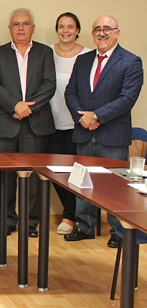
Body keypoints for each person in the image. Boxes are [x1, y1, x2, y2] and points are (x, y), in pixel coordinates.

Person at [64, 16, 143, 246]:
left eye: (107, 29)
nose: (102, 33)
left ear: (117, 32)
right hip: (84, 132)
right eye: (97, 29)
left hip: (113, 135)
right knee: (82, 182)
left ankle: (118, 231)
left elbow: (127, 98)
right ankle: (84, 226)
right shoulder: (83, 60)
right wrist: (83, 118)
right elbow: (70, 92)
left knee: (115, 186)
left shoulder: (130, 61)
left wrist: (96, 116)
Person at [0, 8, 55, 238]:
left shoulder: (45, 53)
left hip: (36, 124)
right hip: (7, 122)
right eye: (16, 24)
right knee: (6, 176)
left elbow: (49, 85)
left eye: (26, 23)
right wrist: (15, 105)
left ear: (32, 28)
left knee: (33, 176)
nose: (21, 28)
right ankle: (7, 220)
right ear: (10, 28)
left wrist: (27, 108)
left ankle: (31, 223)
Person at [46, 12, 91, 236]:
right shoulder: (46, 53)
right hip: (50, 121)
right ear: (57, 29)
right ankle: (68, 211)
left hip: (77, 122)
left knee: (76, 172)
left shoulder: (88, 55)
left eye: (70, 27)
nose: (66, 31)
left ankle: (70, 216)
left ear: (78, 30)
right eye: (61, 26)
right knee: (55, 171)